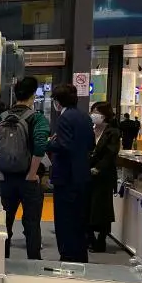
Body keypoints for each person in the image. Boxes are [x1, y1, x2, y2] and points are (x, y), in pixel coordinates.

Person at [0, 77, 50, 260]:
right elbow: (40, 145)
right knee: (32, 223)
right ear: (33, 96)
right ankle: (34, 263)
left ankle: (3, 261)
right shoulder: (37, 119)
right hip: (28, 180)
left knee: (4, 222)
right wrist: (32, 173)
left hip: (6, 179)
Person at [47, 84, 95, 263]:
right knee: (79, 221)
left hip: (66, 177)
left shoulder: (64, 118)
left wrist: (49, 143)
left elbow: (64, 146)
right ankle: (80, 257)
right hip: (82, 175)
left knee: (65, 220)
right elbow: (91, 144)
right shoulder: (84, 117)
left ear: (58, 101)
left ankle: (68, 257)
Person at [88, 102, 121, 253]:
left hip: (104, 176)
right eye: (92, 111)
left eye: (96, 112)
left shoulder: (112, 132)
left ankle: (101, 240)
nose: (93, 114)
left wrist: (98, 168)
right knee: (88, 207)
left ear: (105, 115)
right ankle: (90, 238)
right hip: (88, 174)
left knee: (103, 209)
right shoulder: (90, 130)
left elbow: (111, 154)